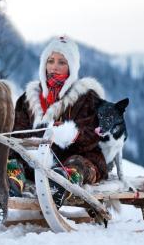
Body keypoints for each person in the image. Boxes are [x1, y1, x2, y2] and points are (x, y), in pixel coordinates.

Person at [7, 35, 108, 206]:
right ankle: (11, 184)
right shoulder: (28, 98)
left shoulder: (86, 97)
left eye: (62, 62)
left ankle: (61, 186)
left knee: (76, 165)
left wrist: (72, 134)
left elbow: (94, 134)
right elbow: (17, 131)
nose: (54, 67)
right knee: (11, 160)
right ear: (43, 64)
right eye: (50, 61)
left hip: (78, 156)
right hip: (36, 158)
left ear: (72, 67)